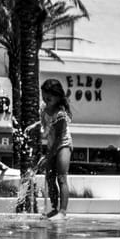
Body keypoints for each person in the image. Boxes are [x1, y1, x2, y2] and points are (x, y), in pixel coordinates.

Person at [37, 77, 73, 218]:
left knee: (61, 177)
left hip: (63, 144)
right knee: (50, 178)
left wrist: (48, 156)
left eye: (49, 98)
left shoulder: (60, 115)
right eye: (44, 97)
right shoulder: (44, 109)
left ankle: (62, 212)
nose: (45, 100)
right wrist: (41, 134)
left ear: (58, 97)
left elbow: (58, 139)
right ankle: (54, 208)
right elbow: (46, 131)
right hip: (52, 145)